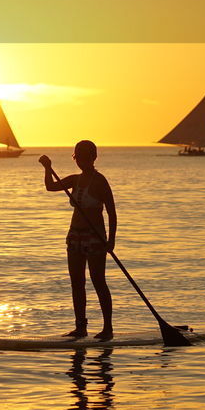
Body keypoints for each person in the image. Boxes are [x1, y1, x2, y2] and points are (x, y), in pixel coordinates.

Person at [39, 140, 117, 340]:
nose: (80, 161)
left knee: (98, 281)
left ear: (93, 158)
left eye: (84, 157)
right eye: (77, 157)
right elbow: (50, 187)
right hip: (75, 236)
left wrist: (111, 240)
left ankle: (108, 328)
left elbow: (111, 211)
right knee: (77, 283)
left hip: (95, 238)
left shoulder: (100, 181)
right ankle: (80, 327)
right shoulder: (75, 180)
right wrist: (48, 168)